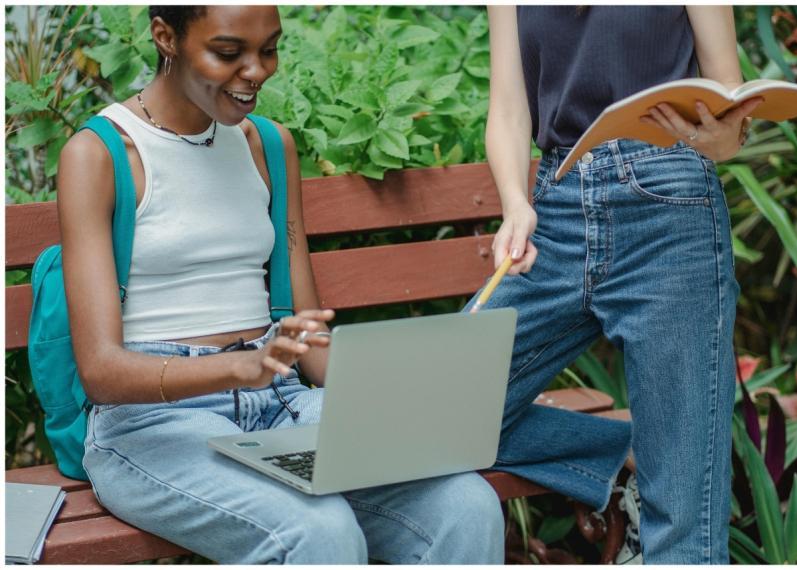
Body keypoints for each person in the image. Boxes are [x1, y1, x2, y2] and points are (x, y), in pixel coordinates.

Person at [59, 6, 504, 564]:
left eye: (268, 49)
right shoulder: (99, 154)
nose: (257, 70)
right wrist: (239, 365)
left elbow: (308, 343)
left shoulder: (267, 146)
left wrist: (406, 392)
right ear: (165, 37)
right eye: (228, 53)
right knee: (319, 531)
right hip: (152, 426)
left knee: (465, 504)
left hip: (280, 406)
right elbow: (101, 373)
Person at [477, 6, 762, 564]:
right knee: (432, 413)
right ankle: (631, 454)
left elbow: (730, 121)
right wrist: (515, 202)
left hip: (669, 203)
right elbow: (510, 111)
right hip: (556, 209)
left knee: (685, 520)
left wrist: (720, 135)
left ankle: (671, 456)